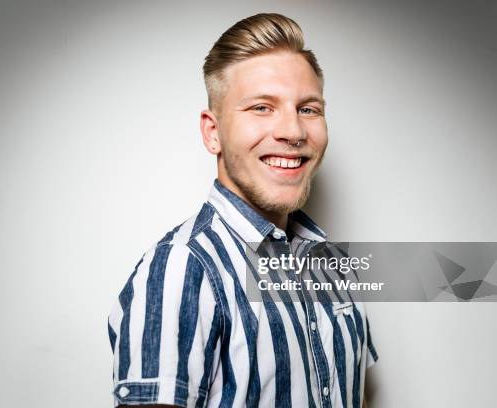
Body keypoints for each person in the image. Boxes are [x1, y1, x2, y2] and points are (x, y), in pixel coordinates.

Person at [107, 12, 378, 408]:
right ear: (212, 132)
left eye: (308, 109)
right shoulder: (182, 270)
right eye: (261, 108)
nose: (294, 132)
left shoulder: (333, 262)